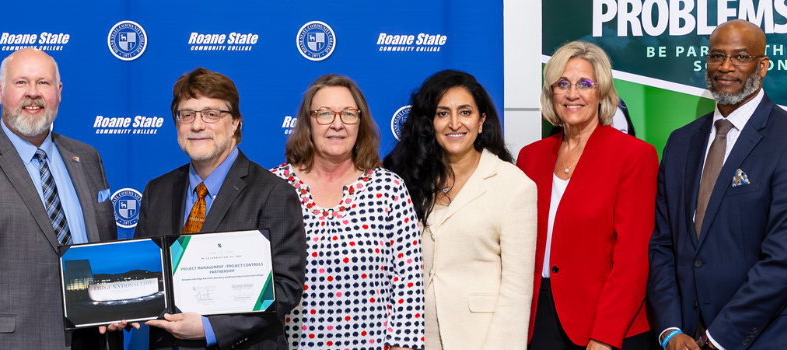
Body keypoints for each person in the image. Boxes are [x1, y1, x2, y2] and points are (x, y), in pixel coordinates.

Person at [647, 20, 787, 350]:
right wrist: (670, 330)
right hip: (685, 337)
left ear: (763, 66)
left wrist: (717, 339)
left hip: (770, 338)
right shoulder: (680, 143)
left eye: (740, 56)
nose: (726, 67)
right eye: (717, 56)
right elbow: (663, 245)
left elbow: (786, 262)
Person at [0, 48, 117, 350]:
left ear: (59, 92)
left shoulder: (87, 158)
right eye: (21, 83)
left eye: (43, 83)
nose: (33, 94)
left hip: (92, 340)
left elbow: (104, 256)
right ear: (0, 92)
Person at [133, 67, 306, 350]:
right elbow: (146, 274)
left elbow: (285, 287)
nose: (197, 125)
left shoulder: (273, 192)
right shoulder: (157, 190)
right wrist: (115, 308)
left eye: (211, 114)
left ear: (236, 122)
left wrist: (210, 328)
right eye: (186, 114)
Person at [517, 40, 658, 350]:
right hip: (538, 319)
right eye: (562, 84)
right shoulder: (531, 157)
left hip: (605, 324)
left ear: (602, 92)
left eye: (585, 84)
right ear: (551, 91)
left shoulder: (633, 155)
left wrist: (605, 336)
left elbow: (633, 258)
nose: (572, 94)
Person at [384, 70, 536, 350]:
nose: (454, 123)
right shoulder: (407, 181)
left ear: (481, 121)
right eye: (443, 113)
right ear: (430, 122)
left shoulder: (514, 186)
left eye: (465, 112)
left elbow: (517, 290)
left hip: (479, 339)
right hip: (413, 338)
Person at [269, 74, 423, 350]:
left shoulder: (388, 189)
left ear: (360, 123)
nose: (337, 124)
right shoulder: (274, 187)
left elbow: (408, 283)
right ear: (308, 122)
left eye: (349, 114)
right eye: (325, 114)